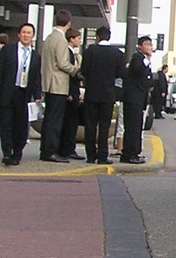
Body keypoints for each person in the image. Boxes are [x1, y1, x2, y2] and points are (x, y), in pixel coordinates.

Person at [80, 26, 126, 164]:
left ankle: (90, 155)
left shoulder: (89, 51)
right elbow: (120, 74)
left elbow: (84, 70)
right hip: (108, 94)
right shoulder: (117, 53)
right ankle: (102, 156)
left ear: (97, 37)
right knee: (104, 125)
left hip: (92, 93)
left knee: (90, 125)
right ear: (109, 37)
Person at [40, 9, 80, 161]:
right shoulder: (61, 40)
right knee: (55, 121)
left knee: (49, 118)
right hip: (58, 84)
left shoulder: (49, 38)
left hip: (48, 82)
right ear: (68, 23)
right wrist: (75, 70)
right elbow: (63, 63)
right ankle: (51, 151)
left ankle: (45, 149)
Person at [0, 23, 42, 166]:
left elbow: (36, 77)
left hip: (24, 94)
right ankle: (7, 153)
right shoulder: (8, 50)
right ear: (18, 34)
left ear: (32, 36)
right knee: (5, 124)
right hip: (8, 92)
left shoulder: (35, 55)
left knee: (21, 126)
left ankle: (17, 153)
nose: (26, 35)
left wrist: (37, 95)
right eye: (23, 32)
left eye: (29, 33)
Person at [121, 35, 153, 163]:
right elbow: (138, 70)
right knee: (132, 127)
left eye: (151, 44)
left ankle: (134, 152)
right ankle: (129, 154)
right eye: (147, 44)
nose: (150, 47)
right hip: (133, 98)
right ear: (140, 46)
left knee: (137, 127)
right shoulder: (137, 58)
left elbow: (148, 77)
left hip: (139, 99)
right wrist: (147, 60)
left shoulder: (144, 60)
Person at [57, 28, 84, 159]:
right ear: (71, 39)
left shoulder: (73, 53)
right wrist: (69, 92)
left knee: (71, 122)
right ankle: (66, 149)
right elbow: (66, 74)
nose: (80, 40)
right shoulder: (67, 52)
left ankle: (68, 148)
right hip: (69, 91)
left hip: (73, 90)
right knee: (69, 122)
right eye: (78, 38)